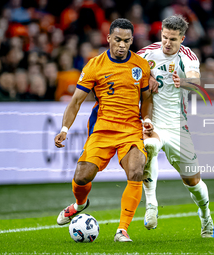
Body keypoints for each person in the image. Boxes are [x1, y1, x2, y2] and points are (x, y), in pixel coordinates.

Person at [54, 18, 153, 242]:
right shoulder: (94, 65)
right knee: (81, 177)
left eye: (127, 41)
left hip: (131, 129)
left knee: (136, 170)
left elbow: (146, 98)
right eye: (117, 39)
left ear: (131, 41)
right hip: (103, 130)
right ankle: (80, 204)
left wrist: (146, 118)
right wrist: (64, 129)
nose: (121, 45)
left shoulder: (140, 65)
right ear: (108, 38)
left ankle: (122, 230)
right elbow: (75, 102)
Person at [137, 15, 214, 238]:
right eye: (164, 37)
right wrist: (146, 76)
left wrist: (187, 83)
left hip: (178, 127)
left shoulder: (188, 55)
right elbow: (130, 72)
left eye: (172, 39)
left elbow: (196, 82)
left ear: (182, 38)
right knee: (149, 145)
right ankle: (151, 204)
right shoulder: (146, 53)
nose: (167, 43)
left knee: (193, 181)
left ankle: (205, 216)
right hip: (154, 121)